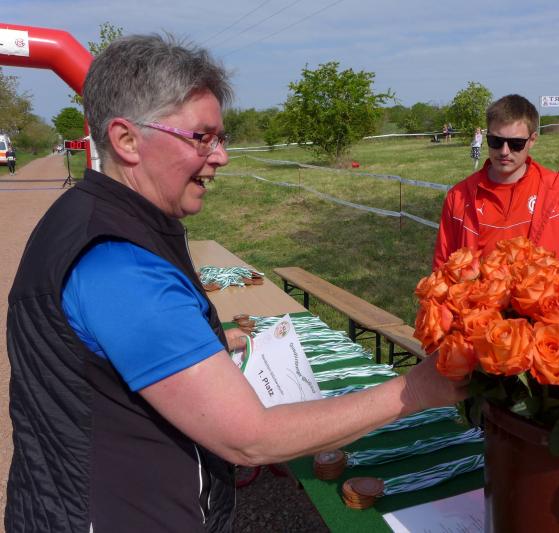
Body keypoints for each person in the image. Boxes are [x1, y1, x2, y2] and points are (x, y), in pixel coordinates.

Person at [4, 34, 467, 532]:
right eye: (202, 137)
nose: (221, 156)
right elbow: (251, 437)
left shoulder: (92, 216)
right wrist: (416, 389)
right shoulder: (119, 264)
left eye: (220, 138)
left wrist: (206, 342)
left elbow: (110, 357)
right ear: (127, 140)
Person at [433, 94, 559, 269]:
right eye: (496, 141)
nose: (504, 151)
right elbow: (442, 270)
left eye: (516, 143)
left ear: (532, 140)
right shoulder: (458, 197)